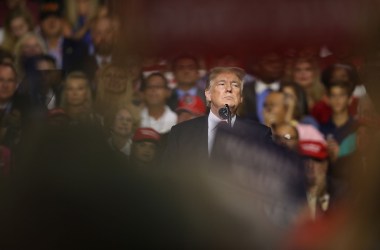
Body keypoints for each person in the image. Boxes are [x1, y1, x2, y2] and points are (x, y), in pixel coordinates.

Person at [163, 67, 272, 168]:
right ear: (208, 94)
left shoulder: (260, 135)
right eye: (222, 84)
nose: (229, 88)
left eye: (235, 85)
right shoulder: (181, 133)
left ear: (241, 98)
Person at [39, 3, 88, 75]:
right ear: (41, 24)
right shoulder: (36, 48)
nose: (51, 21)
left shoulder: (77, 47)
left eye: (55, 17)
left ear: (62, 22)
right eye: (47, 18)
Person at [239, 51, 284, 123]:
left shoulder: (289, 89)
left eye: (279, 62)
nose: (276, 66)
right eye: (270, 62)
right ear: (256, 66)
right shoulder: (243, 91)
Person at [320, 80, 357, 162]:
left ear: (350, 99)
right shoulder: (321, 130)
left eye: (342, 95)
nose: (337, 100)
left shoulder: (358, 128)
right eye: (333, 95)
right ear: (328, 99)